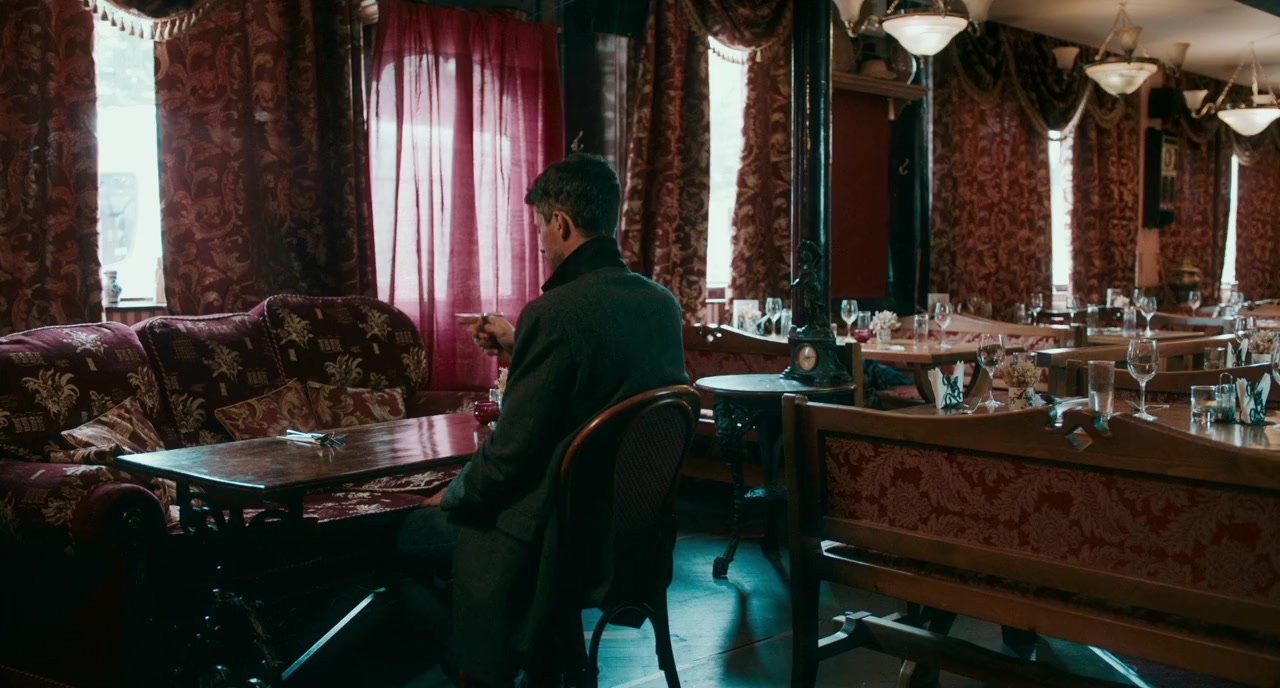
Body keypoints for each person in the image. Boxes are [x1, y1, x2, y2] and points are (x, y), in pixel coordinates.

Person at [396, 154, 688, 687]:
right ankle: (549, 660)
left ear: (561, 222)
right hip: (632, 531)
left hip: (558, 537)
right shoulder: (661, 303)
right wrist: (520, 345)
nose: (541, 244)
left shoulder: (553, 313)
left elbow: (509, 457)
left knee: (403, 538)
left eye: (540, 230)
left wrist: (452, 495)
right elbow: (601, 381)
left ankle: (476, 665)